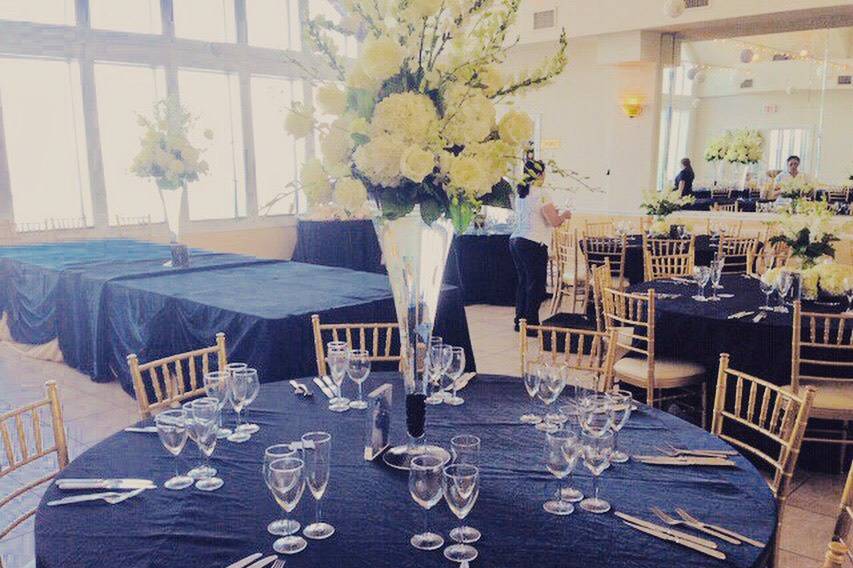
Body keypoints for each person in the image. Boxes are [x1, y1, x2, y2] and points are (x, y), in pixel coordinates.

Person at [509, 159, 571, 333]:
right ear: (539, 174)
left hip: (516, 241)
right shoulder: (542, 193)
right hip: (533, 243)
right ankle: (531, 325)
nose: (545, 176)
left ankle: (519, 322)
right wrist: (564, 214)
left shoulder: (522, 192)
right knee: (535, 285)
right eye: (543, 173)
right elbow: (554, 221)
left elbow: (537, 215)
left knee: (523, 283)